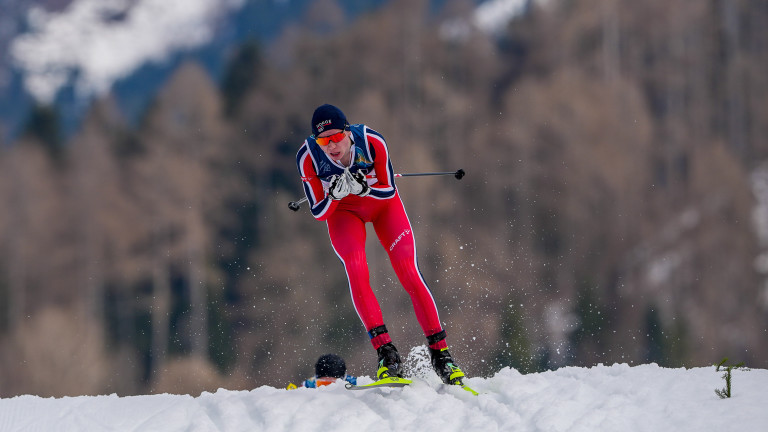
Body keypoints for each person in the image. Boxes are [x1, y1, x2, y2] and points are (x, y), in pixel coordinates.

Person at [295, 104, 467, 387]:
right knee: (357, 270)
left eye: (337, 137)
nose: (332, 145)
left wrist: (365, 188)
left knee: (408, 271)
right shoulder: (308, 157)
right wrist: (335, 195)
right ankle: (387, 355)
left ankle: (442, 355)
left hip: (383, 207)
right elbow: (318, 211)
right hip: (344, 213)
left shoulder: (371, 141)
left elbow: (388, 189)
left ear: (348, 132)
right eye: (324, 140)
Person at [287, 354, 357, 389]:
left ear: (343, 379)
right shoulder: (309, 384)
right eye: (323, 384)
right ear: (316, 379)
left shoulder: (353, 383)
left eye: (333, 384)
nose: (327, 389)